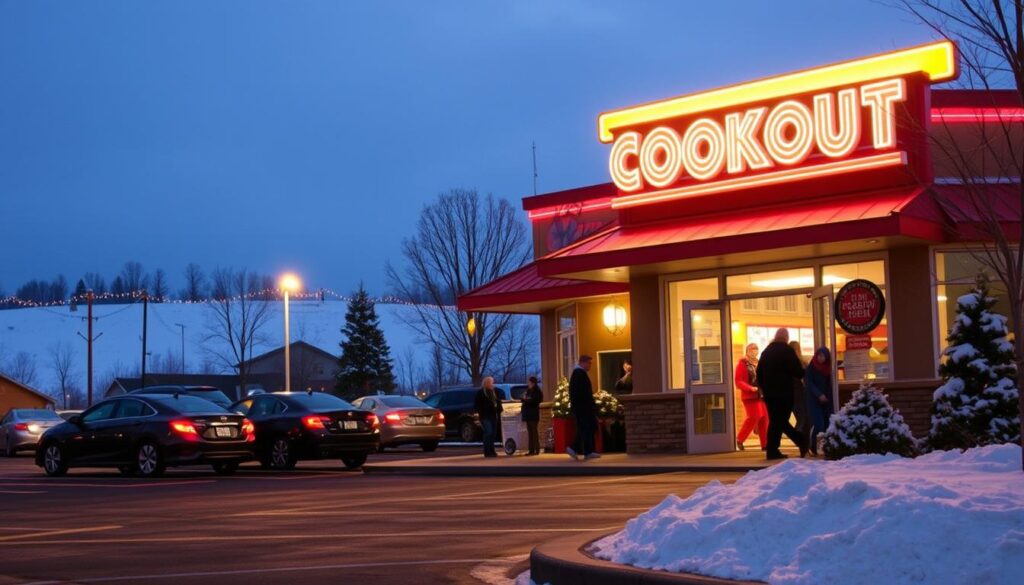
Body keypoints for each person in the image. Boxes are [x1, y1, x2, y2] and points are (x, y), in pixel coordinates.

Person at [756, 328, 808, 460]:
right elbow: (798, 371)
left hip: (769, 395)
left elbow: (759, 374)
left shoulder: (766, 352)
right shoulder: (787, 351)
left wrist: (763, 389)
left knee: (776, 421)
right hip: (785, 393)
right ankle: (801, 441)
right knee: (780, 421)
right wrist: (805, 372)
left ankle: (773, 450)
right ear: (786, 338)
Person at [734, 343, 767, 451]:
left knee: (765, 419)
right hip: (750, 396)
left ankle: (765, 444)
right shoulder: (743, 364)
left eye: (756, 349)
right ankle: (740, 439)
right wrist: (749, 388)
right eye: (752, 349)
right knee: (755, 417)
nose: (754, 351)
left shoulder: (758, 363)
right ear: (747, 351)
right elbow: (738, 381)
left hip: (760, 394)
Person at [567, 355, 599, 461]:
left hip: (582, 407)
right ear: (582, 362)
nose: (590, 366)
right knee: (585, 427)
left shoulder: (579, 374)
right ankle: (577, 448)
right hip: (583, 407)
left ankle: (586, 450)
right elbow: (583, 392)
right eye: (589, 363)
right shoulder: (579, 374)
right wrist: (589, 405)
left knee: (586, 428)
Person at [804, 347, 834, 456]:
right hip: (814, 399)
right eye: (819, 355)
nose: (821, 358)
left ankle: (823, 448)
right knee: (818, 424)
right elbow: (809, 383)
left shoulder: (828, 368)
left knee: (827, 423)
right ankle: (813, 447)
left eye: (823, 356)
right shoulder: (811, 367)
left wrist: (826, 396)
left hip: (827, 399)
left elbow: (830, 384)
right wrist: (819, 394)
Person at [474, 376, 503, 458]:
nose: (492, 384)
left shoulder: (494, 392)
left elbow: (498, 402)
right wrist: (480, 412)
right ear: (486, 383)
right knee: (488, 432)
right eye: (490, 382)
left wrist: (499, 410)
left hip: (493, 415)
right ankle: (487, 451)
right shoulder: (481, 393)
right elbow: (477, 404)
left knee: (493, 434)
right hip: (485, 416)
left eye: (492, 382)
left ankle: (492, 450)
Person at [789, 340, 809, 440]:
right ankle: (799, 439)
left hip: (787, 394)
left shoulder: (784, 362)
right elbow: (805, 376)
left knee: (800, 418)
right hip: (799, 394)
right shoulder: (800, 362)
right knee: (802, 419)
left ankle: (800, 440)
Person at [520, 376, 543, 456]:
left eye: (529, 382)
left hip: (533, 414)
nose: (528, 383)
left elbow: (536, 400)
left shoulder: (537, 391)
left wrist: (527, 399)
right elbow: (524, 398)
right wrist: (525, 399)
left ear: (533, 383)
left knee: (534, 432)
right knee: (530, 432)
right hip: (528, 414)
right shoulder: (528, 390)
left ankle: (537, 449)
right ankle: (531, 450)